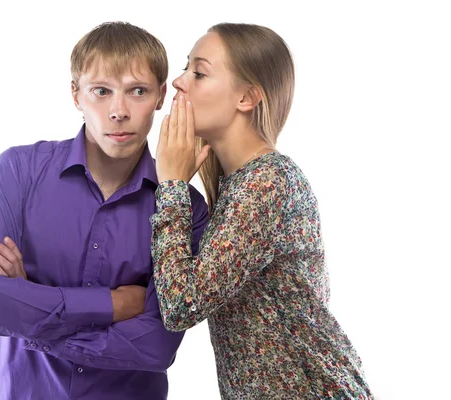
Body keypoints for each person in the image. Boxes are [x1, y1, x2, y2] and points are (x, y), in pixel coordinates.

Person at [0, 21, 209, 400]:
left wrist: (29, 309)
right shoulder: (17, 171)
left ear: (161, 96)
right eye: (101, 92)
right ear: (76, 95)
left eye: (137, 91)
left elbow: (156, 346)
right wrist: (113, 305)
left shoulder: (184, 209)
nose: (119, 111)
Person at [151, 23, 373, 399]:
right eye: (185, 68)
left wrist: (172, 186)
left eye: (199, 73)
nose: (178, 82)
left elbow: (180, 304)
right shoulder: (240, 184)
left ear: (247, 98)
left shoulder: (268, 183)